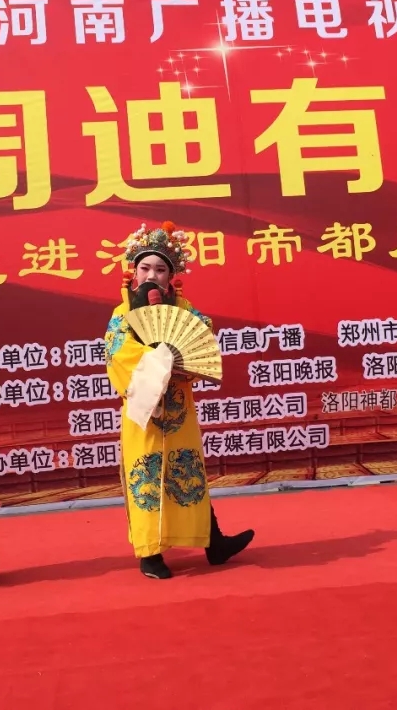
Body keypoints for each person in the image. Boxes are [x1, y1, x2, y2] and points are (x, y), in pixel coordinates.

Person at [104, 221, 254, 579]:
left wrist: (181, 361)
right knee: (147, 475)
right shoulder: (122, 313)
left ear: (171, 276)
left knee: (189, 473)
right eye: (145, 267)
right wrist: (160, 359)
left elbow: (201, 346)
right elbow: (118, 356)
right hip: (144, 411)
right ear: (133, 271)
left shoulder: (185, 310)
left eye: (160, 269)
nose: (152, 275)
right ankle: (150, 554)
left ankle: (213, 542)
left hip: (179, 408)